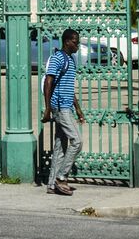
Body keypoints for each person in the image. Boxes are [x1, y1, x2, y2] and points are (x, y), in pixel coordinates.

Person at [42, 29, 83, 196]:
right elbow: (48, 81)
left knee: (60, 147)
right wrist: (47, 108)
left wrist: (78, 109)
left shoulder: (70, 60)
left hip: (67, 106)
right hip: (60, 107)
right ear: (67, 41)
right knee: (77, 141)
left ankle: (52, 185)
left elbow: (68, 86)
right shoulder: (58, 58)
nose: (77, 45)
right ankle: (61, 176)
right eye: (75, 42)